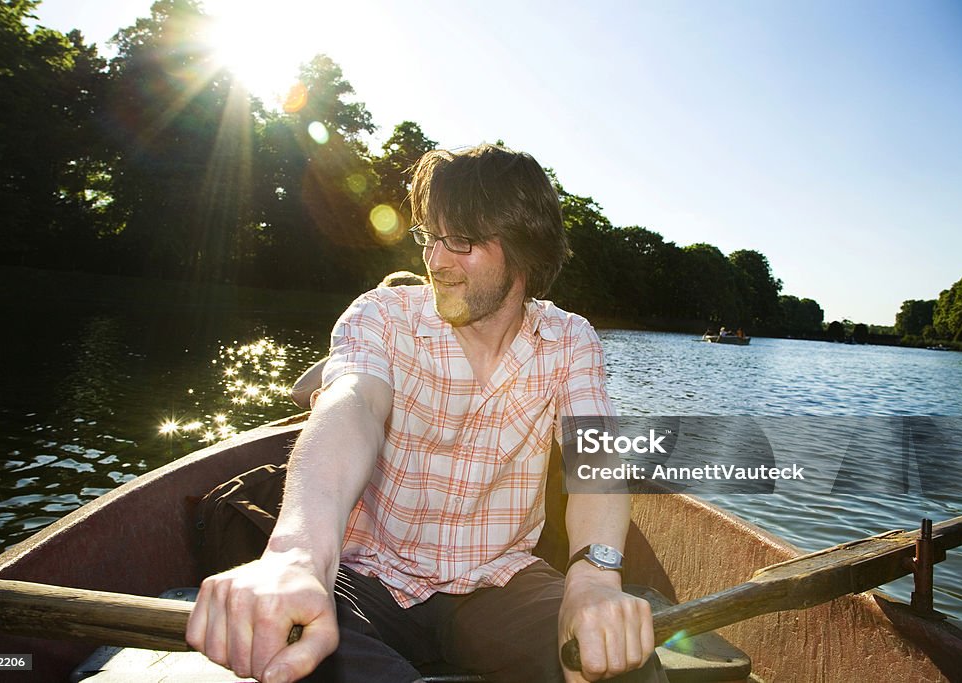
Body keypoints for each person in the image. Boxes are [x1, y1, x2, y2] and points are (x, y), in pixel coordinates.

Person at [186, 144, 666, 683]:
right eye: (430, 237)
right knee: (293, 649)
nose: (436, 261)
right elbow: (353, 404)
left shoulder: (570, 339)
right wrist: (297, 553)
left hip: (498, 581)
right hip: (367, 577)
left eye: (459, 240)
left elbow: (595, 457)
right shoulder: (382, 315)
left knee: (622, 666)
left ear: (524, 248)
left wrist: (594, 580)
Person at [290, 271, 427, 409]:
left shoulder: (430, 354)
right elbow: (300, 395)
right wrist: (354, 347)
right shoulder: (370, 353)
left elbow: (300, 395)